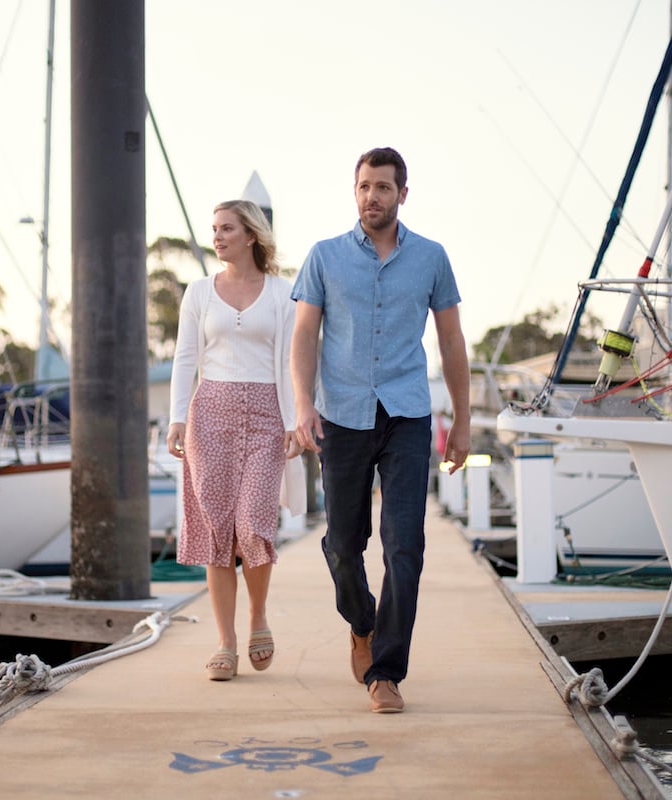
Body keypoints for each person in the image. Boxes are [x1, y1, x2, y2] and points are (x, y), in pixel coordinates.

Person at [290, 147, 471, 713]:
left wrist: (461, 422)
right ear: (355, 191)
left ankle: (386, 671)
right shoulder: (323, 257)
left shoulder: (432, 258)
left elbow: (450, 342)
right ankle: (362, 622)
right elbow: (303, 337)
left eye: (383, 188)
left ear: (402, 195)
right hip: (340, 414)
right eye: (365, 187)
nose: (373, 197)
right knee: (343, 546)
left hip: (408, 414)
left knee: (405, 546)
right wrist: (302, 405)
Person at [167, 199, 304, 681]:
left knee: (253, 524)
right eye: (214, 229)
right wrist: (177, 418)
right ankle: (225, 642)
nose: (218, 236)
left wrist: (297, 421)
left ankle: (258, 617)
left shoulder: (284, 293)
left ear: (251, 235)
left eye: (227, 228)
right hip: (210, 414)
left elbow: (292, 362)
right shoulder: (199, 292)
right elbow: (186, 358)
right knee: (215, 532)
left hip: (268, 414)